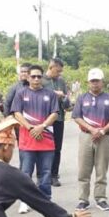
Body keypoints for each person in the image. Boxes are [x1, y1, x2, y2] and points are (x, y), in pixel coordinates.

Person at [12, 65, 59, 214]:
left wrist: (42, 126)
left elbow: (55, 114)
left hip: (46, 139)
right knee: (26, 173)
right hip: (27, 141)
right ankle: (25, 201)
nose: (36, 79)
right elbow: (17, 113)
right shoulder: (21, 94)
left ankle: (45, 199)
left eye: (39, 76)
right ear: (28, 77)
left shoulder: (50, 94)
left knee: (45, 172)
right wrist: (31, 128)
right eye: (33, 76)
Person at [72, 68, 109, 212]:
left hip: (104, 136)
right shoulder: (82, 98)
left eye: (97, 81)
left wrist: (103, 130)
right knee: (84, 169)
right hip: (86, 136)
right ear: (88, 82)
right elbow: (76, 117)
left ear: (102, 82)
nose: (95, 84)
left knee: (101, 168)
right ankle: (83, 199)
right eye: (92, 81)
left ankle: (101, 198)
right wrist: (91, 129)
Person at [41, 58, 71, 187]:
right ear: (51, 67)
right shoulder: (41, 80)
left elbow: (67, 103)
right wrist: (52, 94)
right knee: (43, 147)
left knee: (56, 148)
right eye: (57, 71)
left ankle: (54, 175)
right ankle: (42, 174)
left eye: (60, 72)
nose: (59, 74)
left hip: (58, 119)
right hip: (44, 120)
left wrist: (63, 97)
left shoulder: (61, 82)